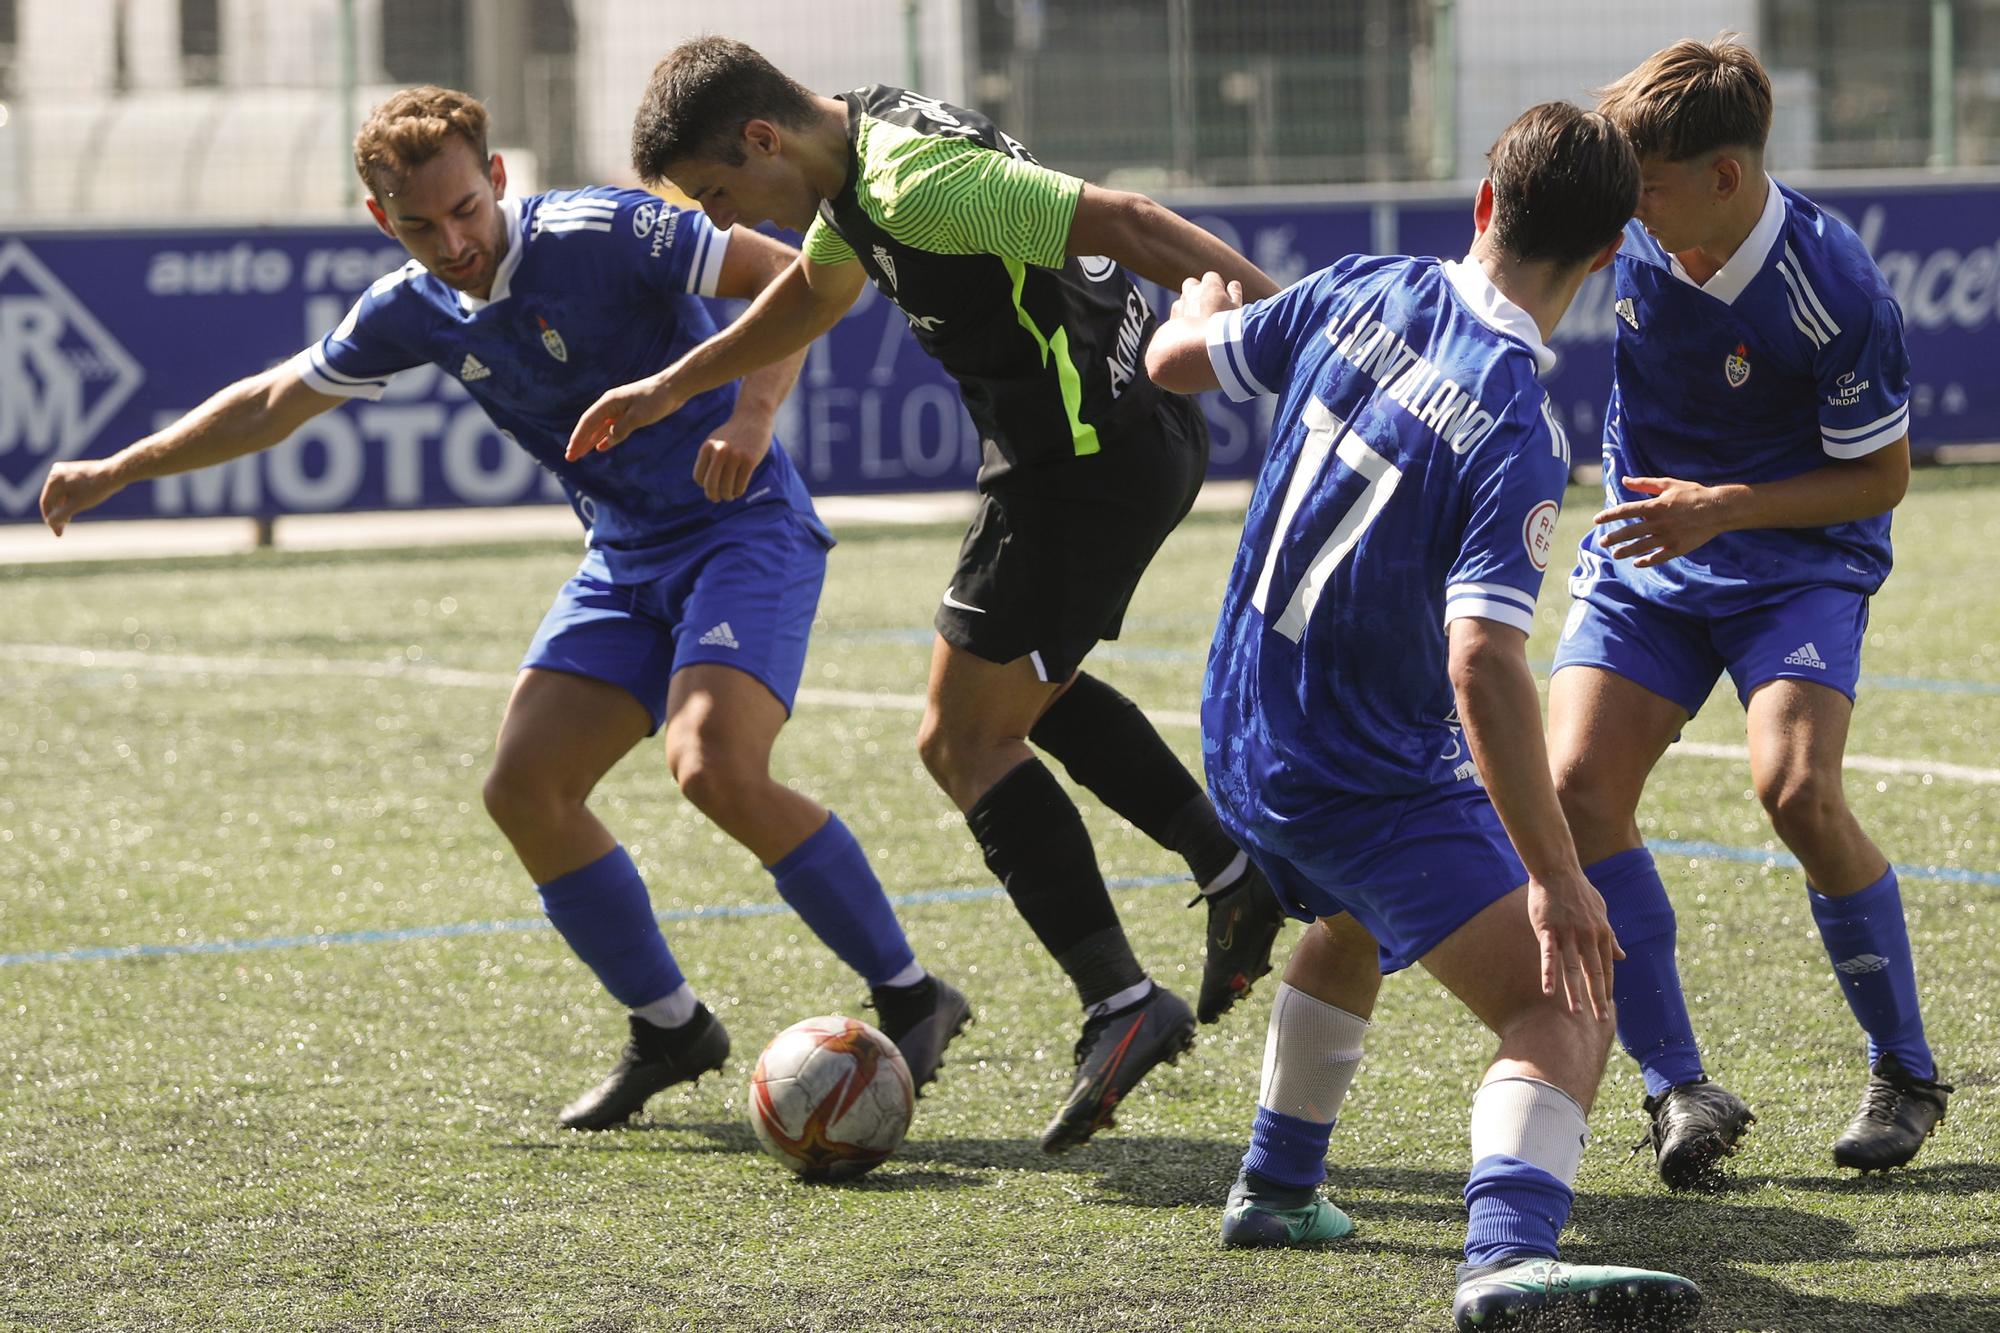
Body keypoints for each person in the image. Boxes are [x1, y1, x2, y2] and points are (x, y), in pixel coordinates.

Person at [37, 85, 969, 1131]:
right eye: (421, 226)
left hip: (739, 527)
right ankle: (669, 1025)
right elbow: (269, 401)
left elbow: (798, 281)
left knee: (711, 766)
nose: (453, 241)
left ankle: (909, 991)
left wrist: (753, 415)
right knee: (525, 788)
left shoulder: (609, 229)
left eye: (465, 211)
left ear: (496, 179)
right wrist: (118, 466)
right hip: (621, 562)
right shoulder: (408, 307)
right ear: (382, 222)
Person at [566, 36, 1292, 1153]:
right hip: (1108, 443)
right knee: (1022, 699)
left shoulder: (911, 177)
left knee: (961, 743)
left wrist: (1306, 333)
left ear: (762, 139)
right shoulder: (854, 150)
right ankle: (1231, 871)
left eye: (721, 193)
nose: (727, 216)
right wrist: (674, 387)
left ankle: (1120, 998)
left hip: (1076, 465)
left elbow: (1135, 223)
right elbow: (813, 291)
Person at [1148, 102, 1702, 1331]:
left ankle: (1277, 1185)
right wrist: (1558, 876)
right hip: (1355, 767)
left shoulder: (1360, 284)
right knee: (1564, 1002)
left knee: (1349, 919)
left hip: (1239, 728)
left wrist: (1191, 318)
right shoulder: (1513, 426)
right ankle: (1505, 1254)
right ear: (1610, 254)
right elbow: (1482, 664)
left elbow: (1175, 366)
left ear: (1482, 203)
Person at [1548, 38, 1947, 1187]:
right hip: (1650, 549)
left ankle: (1904, 1068)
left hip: (1794, 558)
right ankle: (1678, 1083)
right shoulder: (1632, 228)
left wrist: (1726, 509)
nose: (1627, 208)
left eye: (1649, 185)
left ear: (1723, 178)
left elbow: (1879, 479)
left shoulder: (1835, 289)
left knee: (1794, 790)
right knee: (1576, 791)